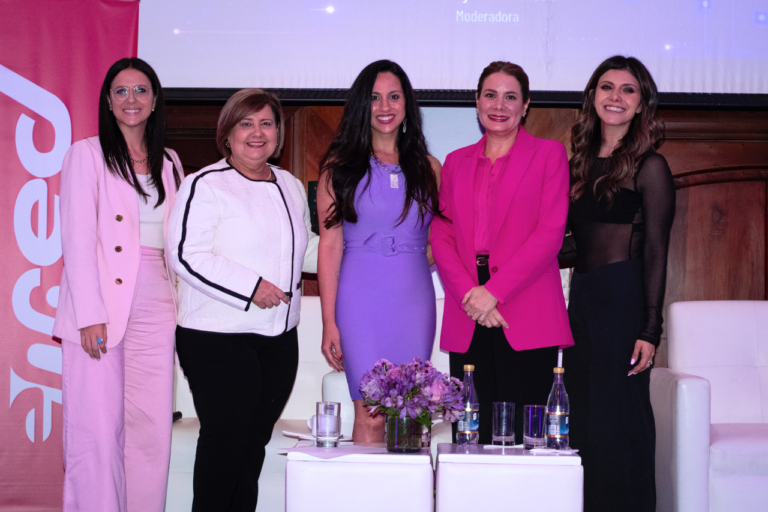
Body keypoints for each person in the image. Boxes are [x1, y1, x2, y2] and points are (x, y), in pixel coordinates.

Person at [168, 88, 317, 511]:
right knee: (226, 439)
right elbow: (185, 254)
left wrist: (353, 253)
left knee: (253, 443)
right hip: (216, 336)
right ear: (227, 134)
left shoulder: (289, 184)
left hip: (278, 339)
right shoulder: (204, 184)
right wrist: (252, 287)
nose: (257, 133)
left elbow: (303, 250)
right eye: (246, 123)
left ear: (278, 133)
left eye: (266, 123)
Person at [53, 57, 182, 511]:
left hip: (158, 302)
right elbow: (77, 240)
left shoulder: (171, 161)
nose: (131, 99)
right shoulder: (85, 154)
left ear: (155, 101)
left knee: (151, 431)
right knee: (96, 429)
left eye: (141, 90)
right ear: (108, 102)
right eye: (121, 91)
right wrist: (89, 315)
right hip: (101, 304)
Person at [431, 61, 574, 445]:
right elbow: (442, 233)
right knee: (470, 435)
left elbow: (550, 234)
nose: (499, 105)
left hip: (525, 304)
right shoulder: (455, 161)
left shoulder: (549, 155)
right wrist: (470, 293)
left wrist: (493, 292)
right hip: (468, 306)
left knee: (527, 438)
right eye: (490, 95)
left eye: (510, 97)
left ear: (525, 106)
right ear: (477, 102)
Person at [563, 56, 674, 512]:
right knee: (583, 414)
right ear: (593, 96)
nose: (616, 97)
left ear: (641, 103)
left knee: (619, 417)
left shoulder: (650, 166)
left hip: (623, 297)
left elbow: (656, 250)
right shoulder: (577, 163)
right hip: (583, 298)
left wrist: (650, 329)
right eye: (607, 87)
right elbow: (574, 243)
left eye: (628, 90)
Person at [317, 60, 442, 442]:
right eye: (374, 98)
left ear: (407, 104)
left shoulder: (430, 168)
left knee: (411, 414)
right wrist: (328, 322)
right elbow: (330, 245)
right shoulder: (339, 168)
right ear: (361, 104)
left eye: (393, 97)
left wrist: (410, 257)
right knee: (371, 414)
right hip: (359, 301)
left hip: (414, 300)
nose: (384, 107)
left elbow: (440, 240)